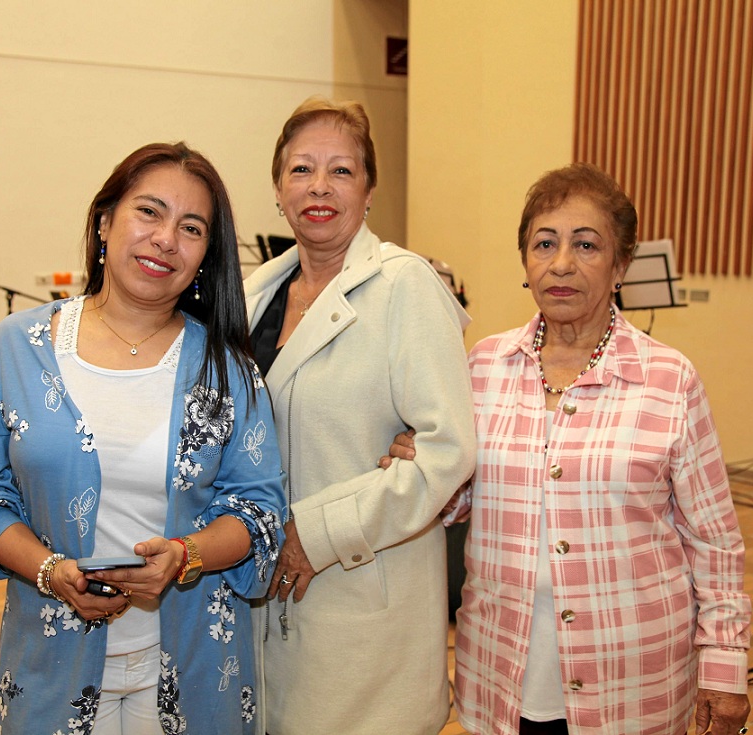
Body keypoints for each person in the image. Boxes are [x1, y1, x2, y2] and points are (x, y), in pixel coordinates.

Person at [384, 163, 751, 735]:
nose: (561, 263)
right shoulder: (483, 366)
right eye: (544, 244)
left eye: (586, 245)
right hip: (499, 672)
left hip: (632, 681)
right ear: (525, 262)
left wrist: (725, 669)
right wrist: (419, 465)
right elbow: (458, 502)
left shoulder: (669, 379)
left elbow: (714, 540)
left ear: (620, 265)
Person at [0, 142, 286, 735]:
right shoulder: (14, 350)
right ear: (105, 222)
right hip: (50, 660)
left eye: (192, 227)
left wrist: (186, 556)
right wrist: (49, 570)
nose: (165, 239)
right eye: (149, 212)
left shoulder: (226, 370)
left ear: (206, 254)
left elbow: (259, 510)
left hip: (194, 665)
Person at [244, 97, 476, 734]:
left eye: (341, 170)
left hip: (362, 603)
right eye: (301, 169)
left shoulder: (406, 286)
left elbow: (446, 451)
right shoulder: (255, 293)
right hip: (261, 605)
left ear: (369, 191)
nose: (319, 186)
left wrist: (314, 534)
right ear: (278, 188)